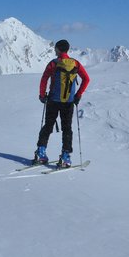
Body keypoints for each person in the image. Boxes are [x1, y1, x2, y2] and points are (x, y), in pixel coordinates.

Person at [35, 39, 90, 168]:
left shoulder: (53, 64)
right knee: (67, 129)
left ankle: (41, 153)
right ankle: (65, 157)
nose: (55, 50)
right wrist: (78, 95)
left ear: (59, 49)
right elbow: (86, 79)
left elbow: (44, 79)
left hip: (53, 101)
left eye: (56, 48)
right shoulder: (75, 64)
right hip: (68, 103)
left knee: (48, 126)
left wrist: (42, 95)